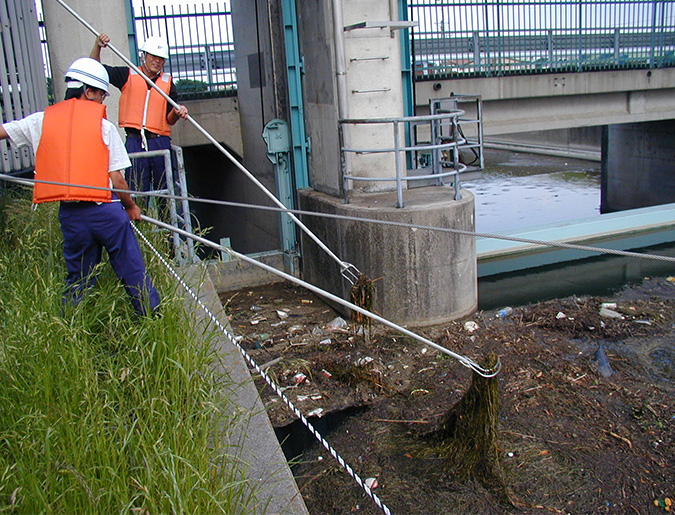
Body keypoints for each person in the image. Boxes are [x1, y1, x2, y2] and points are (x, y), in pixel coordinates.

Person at [0, 57, 160, 316]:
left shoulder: (41, 120)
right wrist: (130, 207)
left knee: (78, 280)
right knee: (132, 270)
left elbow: (4, 131)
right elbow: (117, 180)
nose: (103, 101)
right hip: (106, 210)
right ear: (88, 91)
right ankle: (152, 318)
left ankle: (71, 327)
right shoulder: (103, 127)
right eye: (101, 95)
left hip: (72, 216)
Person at [91, 33, 189, 194]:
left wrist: (178, 112)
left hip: (159, 141)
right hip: (134, 141)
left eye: (161, 58)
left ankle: (167, 219)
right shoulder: (127, 75)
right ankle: (139, 218)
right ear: (144, 56)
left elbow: (170, 120)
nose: (157, 61)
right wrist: (98, 47)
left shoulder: (168, 83)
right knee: (136, 190)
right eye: (153, 56)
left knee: (166, 191)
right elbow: (94, 70)